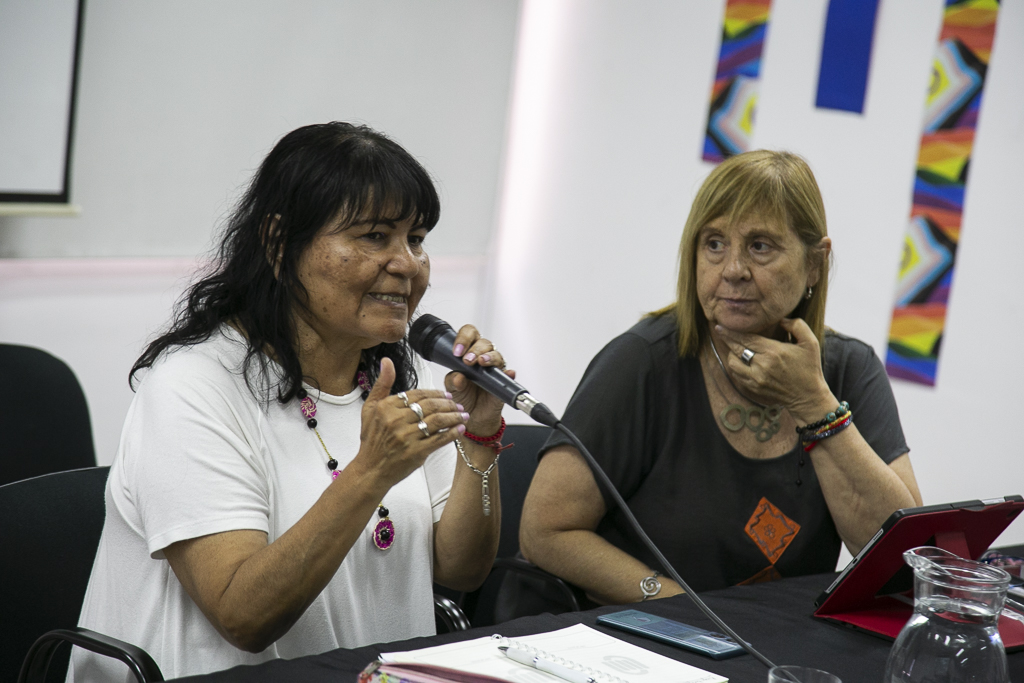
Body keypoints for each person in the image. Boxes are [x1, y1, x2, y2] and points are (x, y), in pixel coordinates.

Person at [70, 122, 510, 681]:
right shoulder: (192, 385)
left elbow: (461, 569)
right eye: (375, 236)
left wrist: (481, 434)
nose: (407, 264)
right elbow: (242, 615)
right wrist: (370, 471)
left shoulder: (392, 377)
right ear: (280, 244)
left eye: (416, 238)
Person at [519, 150, 923, 606]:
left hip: (777, 639)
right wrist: (682, 609)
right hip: (641, 629)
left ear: (815, 263)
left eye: (760, 246)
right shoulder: (642, 361)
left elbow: (903, 563)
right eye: (714, 244)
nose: (732, 270)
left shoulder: (850, 369)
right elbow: (546, 531)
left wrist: (815, 405)